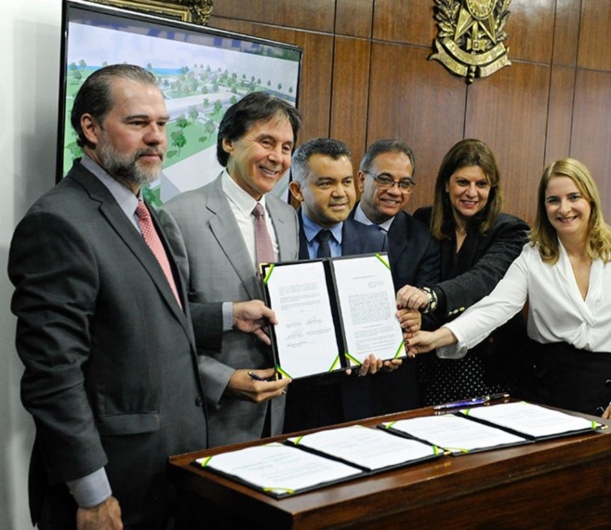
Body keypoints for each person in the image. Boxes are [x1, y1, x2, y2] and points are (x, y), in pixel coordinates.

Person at [7, 65, 274, 529]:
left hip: (168, 475)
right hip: (110, 485)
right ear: (89, 128)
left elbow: (148, 314)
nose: (156, 138)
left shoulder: (145, 211)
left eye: (163, 124)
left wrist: (229, 316)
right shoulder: (59, 222)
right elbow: (53, 374)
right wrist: (91, 492)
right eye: (137, 123)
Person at [403, 157, 611, 424]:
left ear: (591, 200)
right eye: (553, 200)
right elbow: (495, 307)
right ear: (544, 206)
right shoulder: (534, 255)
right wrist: (437, 338)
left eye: (574, 197)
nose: (564, 209)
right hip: (545, 390)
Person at [160, 92, 297, 447]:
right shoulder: (178, 216)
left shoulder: (286, 217)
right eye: (266, 142)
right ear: (228, 142)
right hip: (211, 416)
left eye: (286, 147)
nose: (277, 158)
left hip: (276, 416)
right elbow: (163, 326)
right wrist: (222, 380)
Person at [396, 138, 530, 406]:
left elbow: (482, 280)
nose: (472, 192)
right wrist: (413, 317)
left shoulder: (511, 230)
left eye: (481, 184)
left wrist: (430, 297)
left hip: (487, 365)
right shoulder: (423, 220)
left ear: (492, 189)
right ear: (446, 184)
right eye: (463, 182)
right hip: (427, 358)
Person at [284, 137, 398, 432]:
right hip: (292, 401)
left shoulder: (375, 240)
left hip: (355, 400)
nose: (340, 193)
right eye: (325, 184)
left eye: (347, 182)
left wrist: (388, 350)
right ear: (297, 190)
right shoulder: (278, 237)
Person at [350, 138, 440, 414]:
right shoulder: (330, 226)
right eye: (385, 179)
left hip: (396, 381)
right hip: (335, 382)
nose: (395, 191)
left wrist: (417, 319)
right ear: (361, 179)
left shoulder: (423, 238)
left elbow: (433, 310)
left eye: (405, 183)